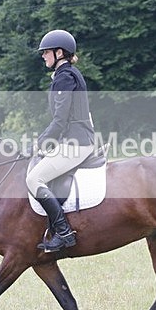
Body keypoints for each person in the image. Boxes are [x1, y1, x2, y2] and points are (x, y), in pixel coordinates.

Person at [26, 29, 96, 252]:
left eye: (46, 52)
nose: (43, 56)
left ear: (59, 52)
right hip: (76, 140)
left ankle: (64, 232)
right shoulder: (69, 74)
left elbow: (60, 120)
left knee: (34, 179)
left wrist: (40, 143)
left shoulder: (65, 77)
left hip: (76, 143)